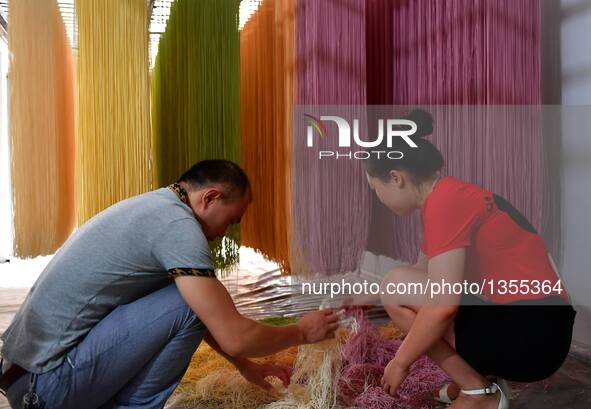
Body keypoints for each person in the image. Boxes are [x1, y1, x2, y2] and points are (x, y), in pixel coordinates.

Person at [0, 159, 339, 409]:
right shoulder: (178, 228)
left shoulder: (158, 208)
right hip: (45, 388)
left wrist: (247, 368)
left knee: (191, 302)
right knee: (191, 306)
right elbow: (234, 336)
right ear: (210, 198)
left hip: (26, 378)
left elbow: (198, 314)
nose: (225, 233)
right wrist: (301, 332)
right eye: (232, 220)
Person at [363, 111, 576, 409]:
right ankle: (478, 379)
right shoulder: (449, 196)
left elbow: (440, 304)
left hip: (533, 339)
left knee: (398, 287)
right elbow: (418, 277)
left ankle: (479, 392)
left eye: (377, 190)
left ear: (395, 178)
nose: (380, 200)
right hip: (539, 328)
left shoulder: (445, 205)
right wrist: (368, 297)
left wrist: (400, 363)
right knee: (396, 286)